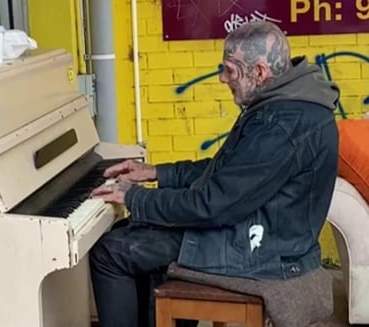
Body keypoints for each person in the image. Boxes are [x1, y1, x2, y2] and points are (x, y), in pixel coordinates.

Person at [89, 20, 339, 327]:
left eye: (230, 69)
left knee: (111, 251)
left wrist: (136, 197)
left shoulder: (281, 123)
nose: (222, 78)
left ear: (259, 72)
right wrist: (155, 172)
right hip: (262, 231)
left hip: (265, 253)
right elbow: (226, 173)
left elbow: (213, 204)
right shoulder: (287, 103)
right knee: (127, 231)